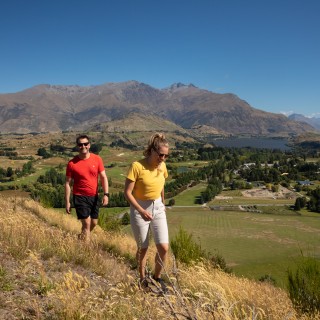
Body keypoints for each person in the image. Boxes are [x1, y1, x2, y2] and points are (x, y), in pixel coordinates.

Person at [124, 133, 170, 293]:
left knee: (164, 247)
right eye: (160, 155)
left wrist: (162, 203)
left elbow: (162, 183)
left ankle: (157, 278)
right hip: (139, 208)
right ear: (151, 151)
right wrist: (141, 210)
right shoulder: (137, 166)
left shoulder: (162, 166)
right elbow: (127, 193)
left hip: (157, 206)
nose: (163, 158)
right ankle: (142, 279)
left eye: (166, 156)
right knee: (143, 248)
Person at [65, 134, 109, 241]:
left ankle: (81, 237)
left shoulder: (97, 159)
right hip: (79, 196)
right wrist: (67, 201)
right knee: (87, 223)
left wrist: (106, 194)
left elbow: (103, 177)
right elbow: (67, 183)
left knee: (94, 223)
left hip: (94, 196)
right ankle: (87, 252)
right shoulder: (72, 163)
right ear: (77, 146)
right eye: (80, 144)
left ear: (89, 145)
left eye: (85, 144)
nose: (83, 146)